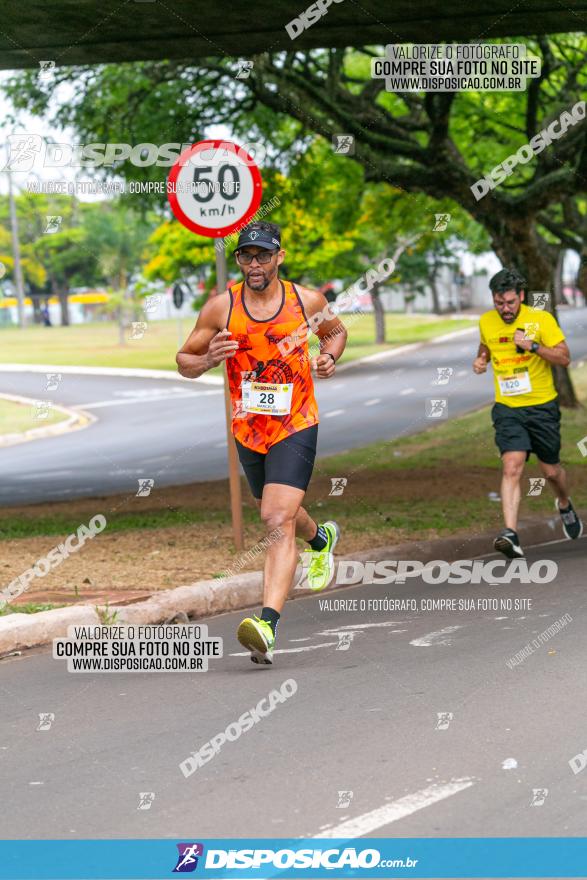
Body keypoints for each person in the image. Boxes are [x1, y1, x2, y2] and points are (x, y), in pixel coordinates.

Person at [176, 221, 348, 664]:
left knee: (274, 517)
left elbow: (334, 332)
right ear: (239, 261)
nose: (255, 264)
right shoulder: (221, 308)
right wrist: (207, 360)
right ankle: (320, 540)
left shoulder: (306, 301)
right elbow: (184, 360)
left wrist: (328, 357)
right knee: (283, 514)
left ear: (279, 257)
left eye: (263, 256)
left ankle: (266, 625)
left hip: (296, 422)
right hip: (248, 429)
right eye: (246, 256)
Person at [473, 267, 582, 558]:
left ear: (521, 296)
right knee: (512, 465)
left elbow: (564, 357)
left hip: (542, 407)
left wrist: (532, 345)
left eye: (510, 302)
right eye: (499, 303)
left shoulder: (540, 319)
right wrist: (481, 360)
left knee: (551, 471)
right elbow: (487, 345)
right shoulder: (486, 321)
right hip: (508, 407)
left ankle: (563, 502)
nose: (505, 309)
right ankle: (511, 534)